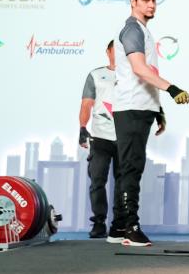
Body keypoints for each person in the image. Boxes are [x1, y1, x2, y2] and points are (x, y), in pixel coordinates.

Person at [112, 0, 189, 247]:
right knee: (130, 169)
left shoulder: (143, 30)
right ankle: (130, 228)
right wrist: (172, 89)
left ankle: (120, 229)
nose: (151, 5)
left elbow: (147, 76)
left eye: (154, 0)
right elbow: (140, 70)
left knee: (129, 169)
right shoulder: (132, 29)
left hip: (141, 107)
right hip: (131, 108)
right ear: (133, 1)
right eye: (146, 0)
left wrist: (158, 109)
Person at [79, 40, 119, 239]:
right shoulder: (95, 75)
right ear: (108, 51)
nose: (119, 53)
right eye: (115, 50)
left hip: (125, 137)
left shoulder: (134, 75)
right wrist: (82, 127)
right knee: (97, 181)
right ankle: (99, 222)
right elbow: (87, 104)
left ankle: (120, 223)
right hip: (100, 138)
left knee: (124, 182)